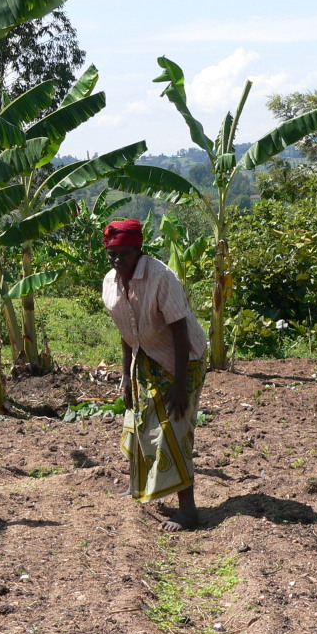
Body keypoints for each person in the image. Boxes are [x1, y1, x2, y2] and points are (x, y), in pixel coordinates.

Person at [101, 219, 207, 531]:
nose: (118, 260)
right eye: (112, 254)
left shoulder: (161, 277)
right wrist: (126, 377)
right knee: (139, 425)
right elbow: (126, 330)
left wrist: (178, 385)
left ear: (139, 251)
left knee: (174, 429)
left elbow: (179, 329)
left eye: (125, 254)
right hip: (144, 357)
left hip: (182, 359)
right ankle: (141, 488)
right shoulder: (111, 281)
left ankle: (188, 510)